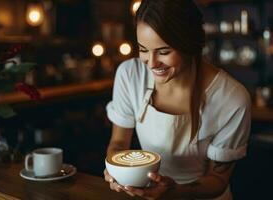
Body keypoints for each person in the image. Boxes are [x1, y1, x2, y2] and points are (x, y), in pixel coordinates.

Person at [104, 0, 251, 199]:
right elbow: (119, 142)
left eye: (164, 52)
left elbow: (217, 179)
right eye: (143, 49)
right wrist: (115, 170)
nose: (152, 63)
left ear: (189, 45)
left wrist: (175, 191)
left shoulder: (231, 98)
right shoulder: (130, 75)